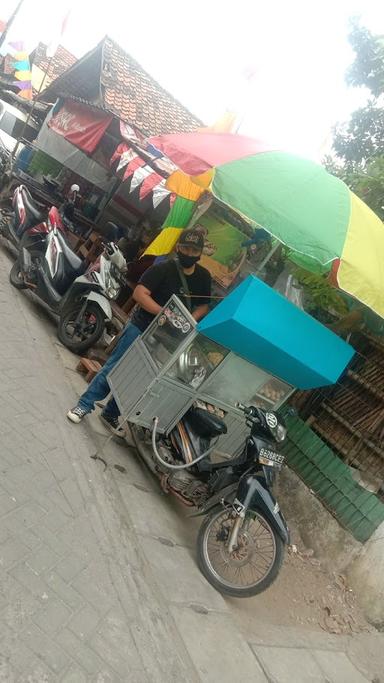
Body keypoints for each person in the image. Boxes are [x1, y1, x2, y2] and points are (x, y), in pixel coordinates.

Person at [67, 228, 211, 435]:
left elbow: (203, 306)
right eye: (186, 248)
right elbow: (140, 293)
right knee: (116, 367)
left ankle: (111, 413)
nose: (189, 253)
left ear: (200, 253)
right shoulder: (163, 268)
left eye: (194, 250)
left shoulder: (203, 277)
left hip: (169, 338)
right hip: (142, 326)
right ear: (178, 248)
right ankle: (84, 404)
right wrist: (165, 313)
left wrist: (190, 320)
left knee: (140, 376)